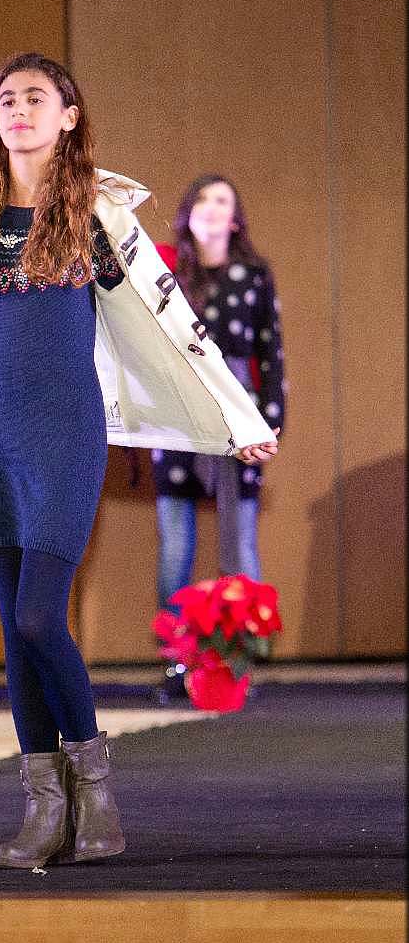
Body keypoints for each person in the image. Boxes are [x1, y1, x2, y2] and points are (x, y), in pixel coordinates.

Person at [0, 53, 279, 870]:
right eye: (6, 100)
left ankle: (95, 791)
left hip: (63, 432)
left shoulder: (95, 213)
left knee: (37, 618)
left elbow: (168, 321)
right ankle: (42, 809)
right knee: (15, 635)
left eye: (35, 98)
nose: (17, 110)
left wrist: (235, 419)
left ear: (67, 117)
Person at [147, 174, 287, 700]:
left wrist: (268, 418)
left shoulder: (254, 274)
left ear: (235, 218)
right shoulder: (166, 272)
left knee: (241, 540)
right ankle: (177, 664)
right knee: (175, 545)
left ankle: (239, 660)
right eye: (202, 198)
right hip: (178, 416)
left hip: (238, 415)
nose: (211, 207)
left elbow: (271, 350)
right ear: (187, 213)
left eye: (222, 199)